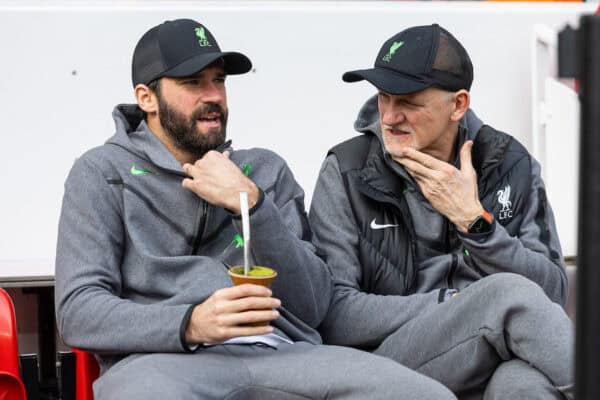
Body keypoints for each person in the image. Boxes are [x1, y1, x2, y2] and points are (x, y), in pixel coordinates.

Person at [54, 19, 457, 399]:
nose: (213, 96)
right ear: (147, 98)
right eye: (193, 83)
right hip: (163, 361)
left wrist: (252, 203)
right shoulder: (102, 173)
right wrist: (191, 323)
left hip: (282, 353)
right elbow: (79, 312)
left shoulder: (264, 170)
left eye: (219, 81)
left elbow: (315, 306)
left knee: (426, 394)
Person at [309, 24, 574, 400]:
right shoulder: (347, 169)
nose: (388, 117)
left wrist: (476, 224)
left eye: (408, 103)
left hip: (493, 355)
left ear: (459, 104)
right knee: (505, 295)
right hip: (388, 364)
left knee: (523, 385)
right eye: (384, 97)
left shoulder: (510, 164)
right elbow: (334, 313)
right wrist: (458, 306)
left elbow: (552, 296)